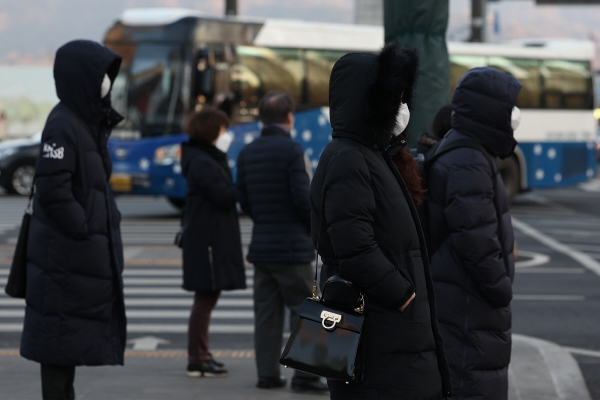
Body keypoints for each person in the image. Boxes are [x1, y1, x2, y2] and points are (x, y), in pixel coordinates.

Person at [310, 43, 452, 399]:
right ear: (370, 100)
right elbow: (354, 245)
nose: (402, 108)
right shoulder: (350, 158)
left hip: (391, 334)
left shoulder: (371, 154)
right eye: (395, 98)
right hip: (380, 330)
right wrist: (403, 294)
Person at [20, 40, 126, 400]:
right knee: (56, 347)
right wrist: (84, 226)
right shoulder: (63, 124)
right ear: (82, 76)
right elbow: (54, 190)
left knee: (63, 348)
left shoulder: (85, 122)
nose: (107, 83)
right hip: (62, 260)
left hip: (70, 260)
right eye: (101, 75)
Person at [426, 67, 522, 399]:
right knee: (471, 386)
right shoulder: (470, 160)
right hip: (469, 307)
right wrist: (500, 289)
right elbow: (475, 236)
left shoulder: (465, 151)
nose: (514, 116)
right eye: (508, 107)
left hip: (461, 302)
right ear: (489, 110)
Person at [236, 91, 328, 393]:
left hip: (262, 247)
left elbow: (245, 200)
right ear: (289, 118)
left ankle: (267, 375)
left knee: (266, 315)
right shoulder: (292, 150)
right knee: (305, 311)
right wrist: (312, 230)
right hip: (292, 248)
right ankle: (305, 375)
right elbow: (304, 200)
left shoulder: (247, 153)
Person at [180, 107, 246, 378]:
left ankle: (201, 354)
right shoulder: (203, 162)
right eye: (222, 129)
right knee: (204, 299)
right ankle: (197, 358)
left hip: (207, 238)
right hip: (206, 241)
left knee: (207, 298)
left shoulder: (205, 158)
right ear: (211, 132)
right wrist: (246, 181)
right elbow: (223, 195)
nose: (226, 134)